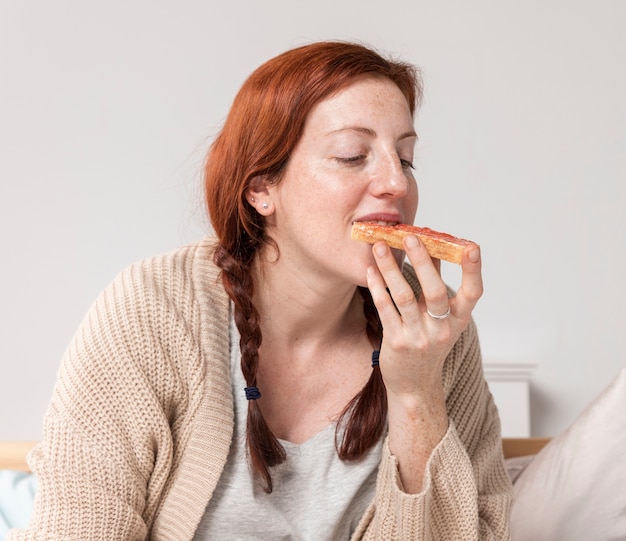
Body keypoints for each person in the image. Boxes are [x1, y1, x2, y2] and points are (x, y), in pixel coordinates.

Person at [7, 41, 512, 540]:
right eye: (353, 155)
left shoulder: (434, 333)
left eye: (406, 160)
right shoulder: (153, 309)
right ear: (261, 189)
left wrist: (416, 393)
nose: (396, 184)